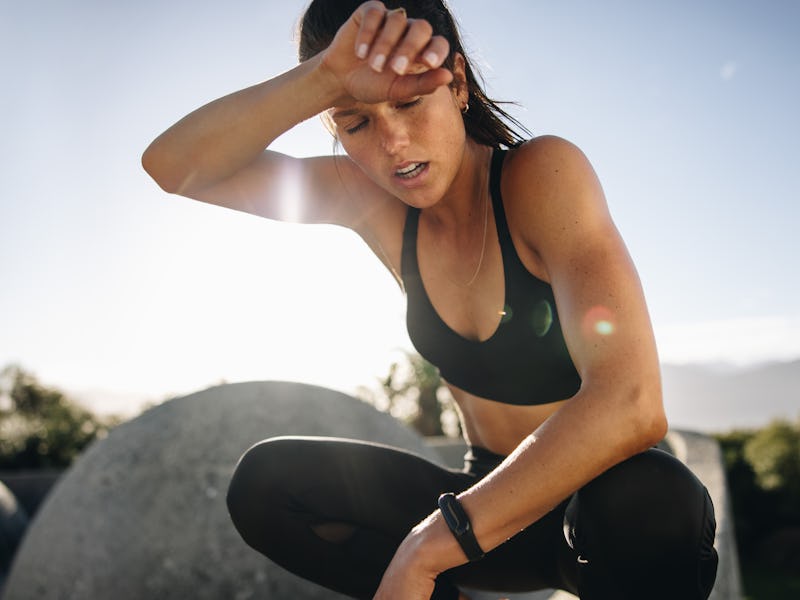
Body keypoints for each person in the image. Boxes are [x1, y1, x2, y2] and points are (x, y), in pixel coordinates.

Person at [142, 1, 718, 598]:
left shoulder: (541, 176)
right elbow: (174, 167)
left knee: (653, 496)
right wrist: (323, 78)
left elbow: (633, 403)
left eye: (409, 102)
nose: (393, 143)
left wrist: (428, 548)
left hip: (596, 524)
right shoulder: (367, 200)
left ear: (458, 84)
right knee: (266, 484)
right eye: (355, 122)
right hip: (484, 505)